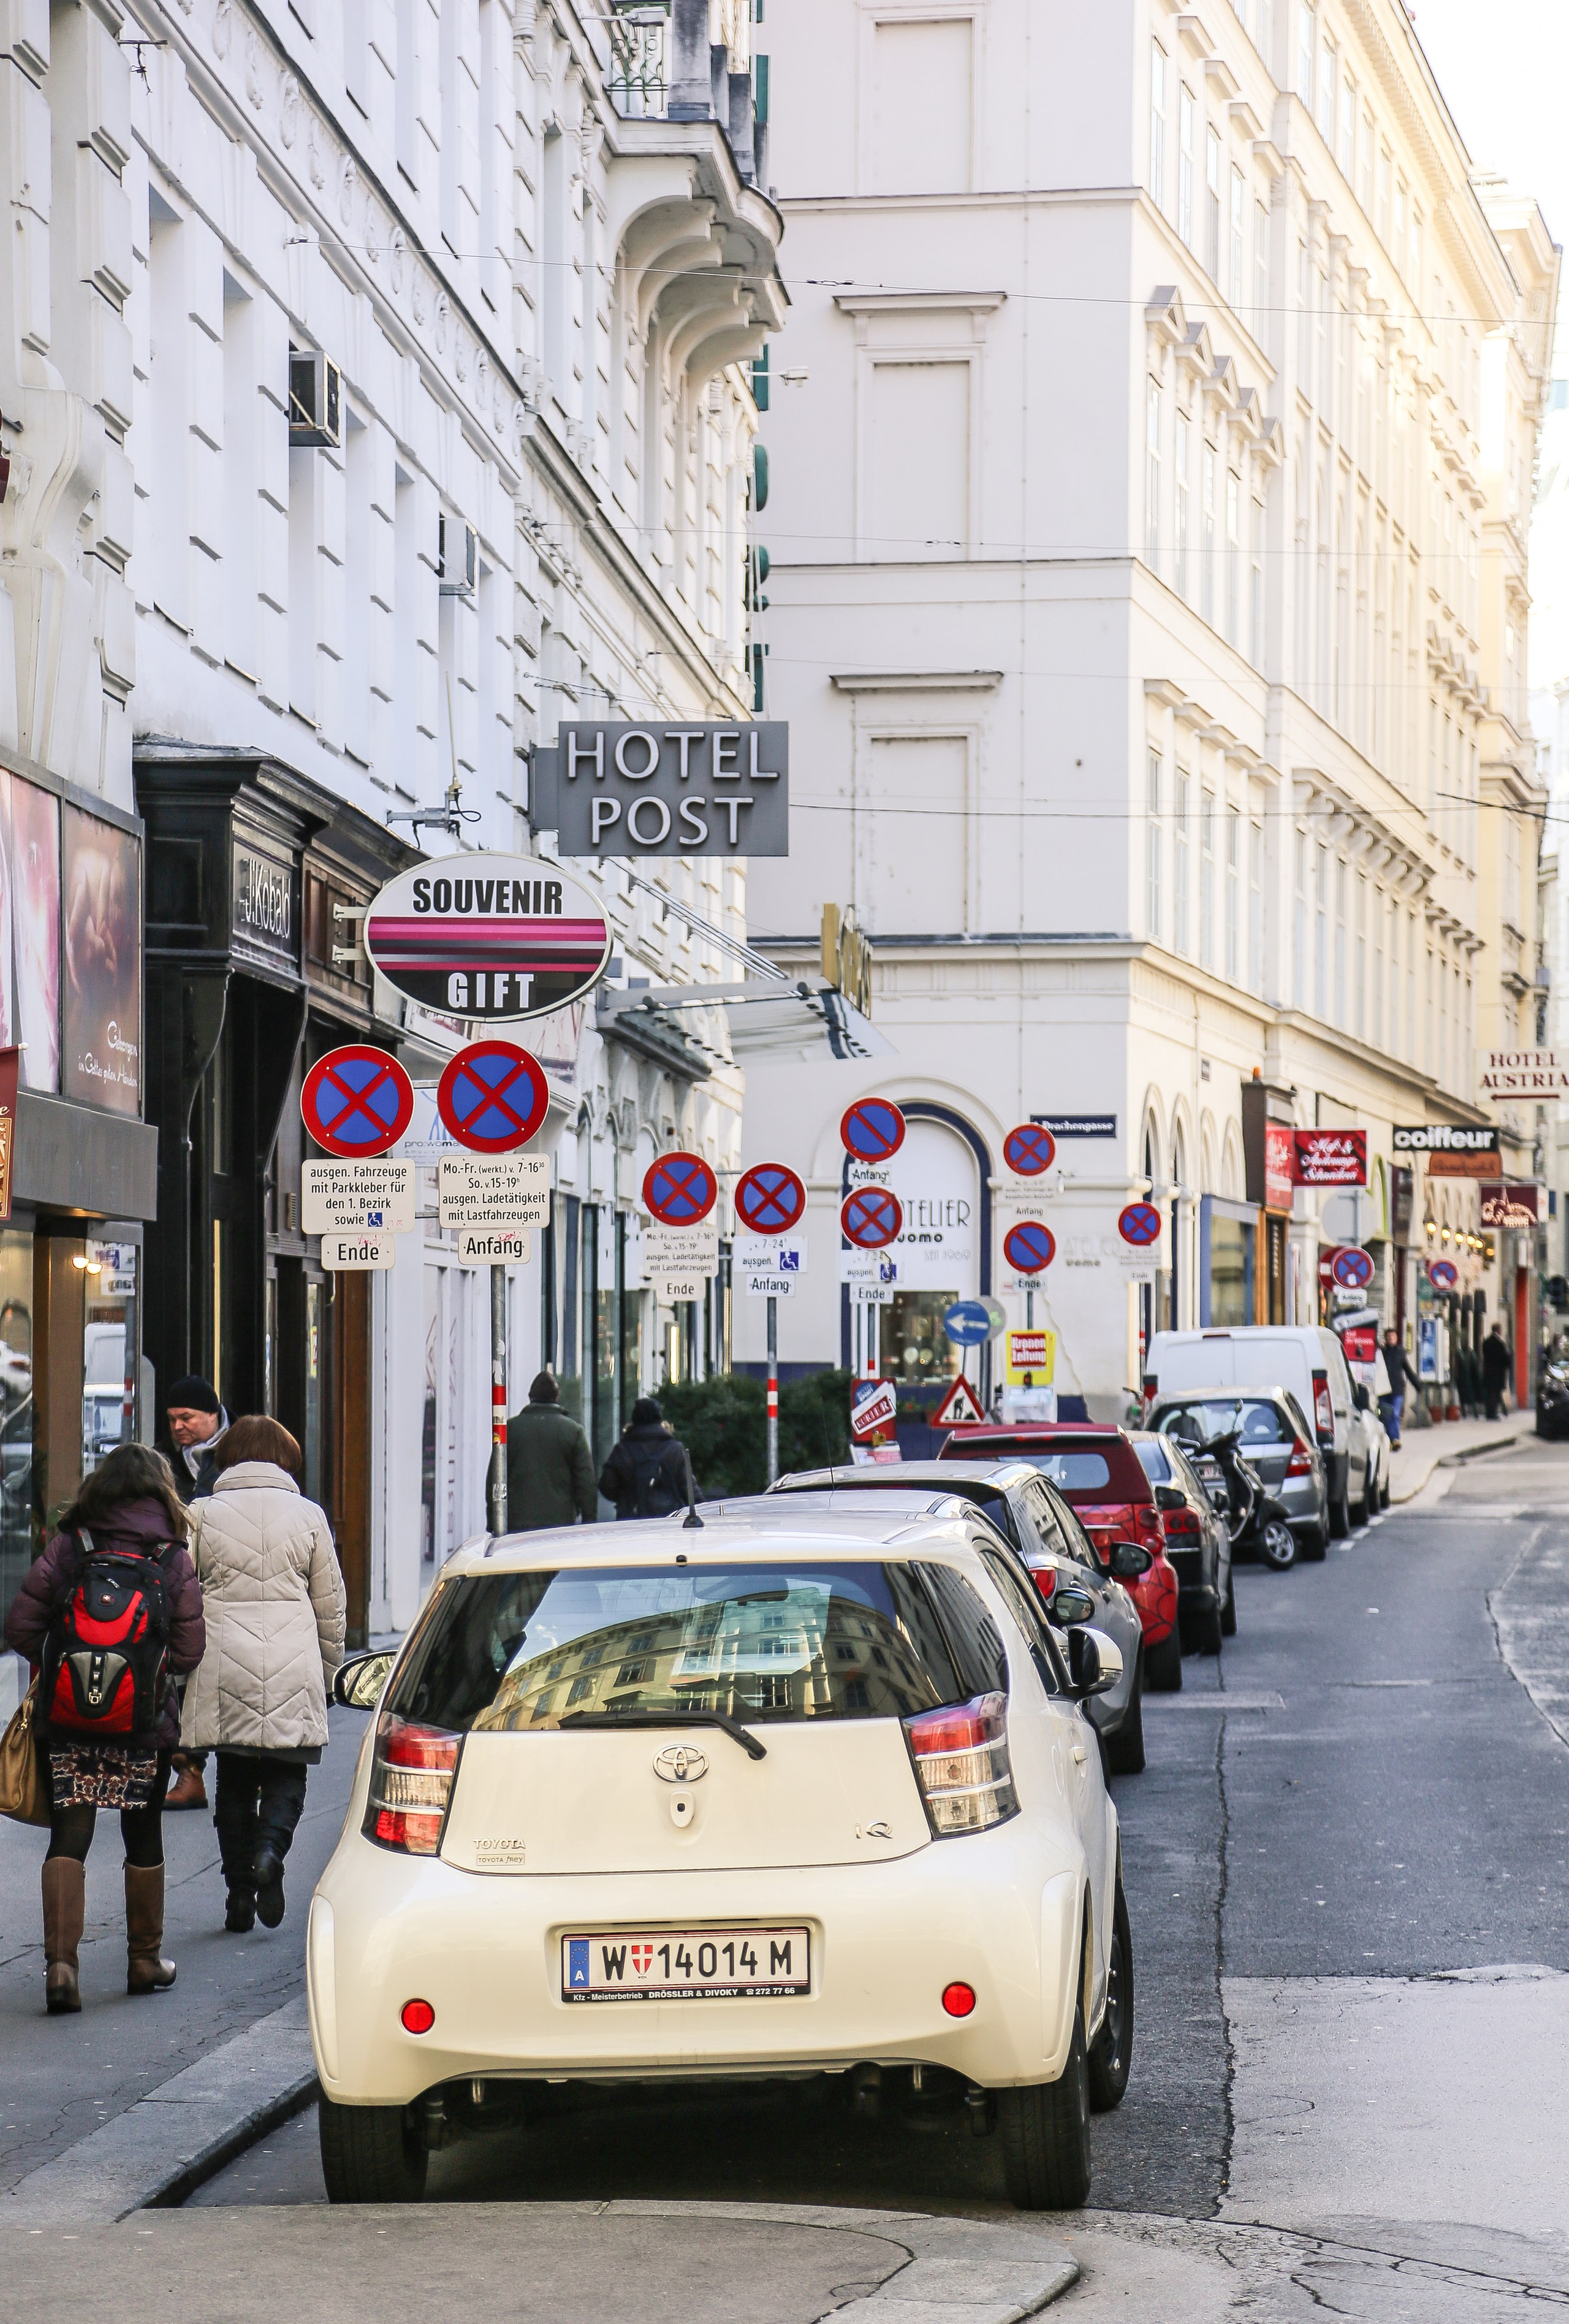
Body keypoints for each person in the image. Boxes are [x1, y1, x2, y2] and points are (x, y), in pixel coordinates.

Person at [4, 1444, 205, 2013]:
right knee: (143, 1831)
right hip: (143, 1722)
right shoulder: (171, 1553)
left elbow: (21, 1625)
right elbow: (190, 1649)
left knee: (70, 1833)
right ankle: (144, 1960)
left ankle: (61, 1968)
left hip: (70, 1720)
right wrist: (145, 1672)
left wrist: (64, 1672)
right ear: (160, 1490)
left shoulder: (74, 1543)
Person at [180, 1415, 346, 1933]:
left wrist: (181, 1675)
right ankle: (270, 1851)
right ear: (286, 1459)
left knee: (232, 1778)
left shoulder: (200, 1515)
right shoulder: (310, 1516)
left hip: (223, 1662)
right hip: (293, 1659)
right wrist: (330, 1674)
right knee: (286, 1772)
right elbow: (331, 1605)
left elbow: (183, 1596)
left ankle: (238, 1895)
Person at [156, 1375, 229, 1812]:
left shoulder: (242, 1449)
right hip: (182, 1582)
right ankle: (189, 1773)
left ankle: (250, 1771)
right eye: (172, 1419)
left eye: (186, 1417)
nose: (178, 1426)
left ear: (213, 1416)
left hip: (228, 1582)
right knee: (181, 1680)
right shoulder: (162, 1460)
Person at [505, 1371, 598, 1530]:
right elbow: (585, 1481)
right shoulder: (573, 1431)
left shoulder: (511, 1429)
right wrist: (589, 1521)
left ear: (530, 1397)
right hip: (560, 1522)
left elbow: (496, 1478)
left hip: (518, 1522)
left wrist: (494, 1521)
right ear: (556, 1397)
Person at [598, 1397, 694, 1520]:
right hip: (668, 1519)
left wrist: (626, 1498)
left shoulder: (623, 1450)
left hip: (630, 1520)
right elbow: (689, 1487)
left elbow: (607, 1486)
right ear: (660, 1419)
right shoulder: (674, 1449)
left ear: (634, 1419)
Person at [1381, 1330, 1419, 1447]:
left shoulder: (1400, 1352)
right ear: (1385, 1338)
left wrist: (1417, 1385)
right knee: (1386, 1415)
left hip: (1397, 1389)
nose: (1391, 1339)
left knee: (1395, 1414)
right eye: (1389, 1337)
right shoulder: (1381, 1352)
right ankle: (1390, 1440)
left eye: (1393, 1336)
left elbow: (1408, 1370)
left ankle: (1395, 1439)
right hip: (1383, 1389)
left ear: (1397, 1338)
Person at [1482, 1322, 1514, 1421]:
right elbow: (1504, 1358)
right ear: (1498, 1330)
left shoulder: (1487, 1342)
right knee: (1495, 1394)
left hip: (1488, 1371)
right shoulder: (1500, 1344)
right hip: (1498, 1373)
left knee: (1490, 1393)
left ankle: (1489, 1412)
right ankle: (1492, 1413)